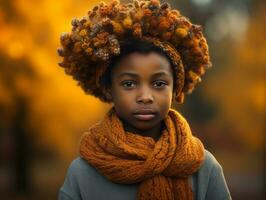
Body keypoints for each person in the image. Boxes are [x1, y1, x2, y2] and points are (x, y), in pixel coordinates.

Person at [57, 0, 231, 199]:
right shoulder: (83, 174)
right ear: (108, 89)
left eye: (159, 84)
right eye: (129, 84)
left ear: (176, 88)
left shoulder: (203, 168)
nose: (145, 97)